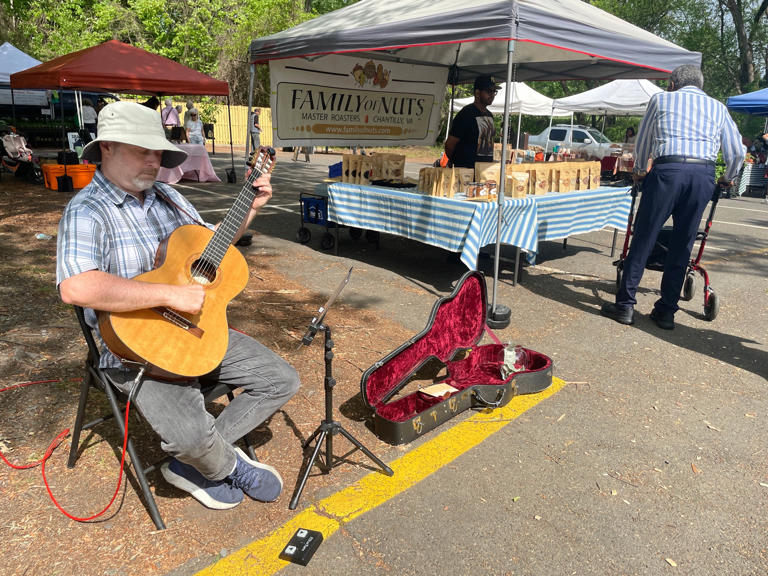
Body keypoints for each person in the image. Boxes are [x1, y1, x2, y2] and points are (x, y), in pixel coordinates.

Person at [56, 101, 300, 509]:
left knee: (281, 379)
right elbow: (76, 287)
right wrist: (169, 294)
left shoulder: (167, 196)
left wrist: (251, 207)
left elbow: (211, 245)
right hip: (137, 350)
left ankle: (193, 463)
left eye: (158, 152)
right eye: (142, 150)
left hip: (198, 327)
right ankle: (223, 466)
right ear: (108, 148)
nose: (154, 161)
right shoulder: (87, 210)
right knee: (188, 437)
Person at [601, 65, 744, 330]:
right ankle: (666, 311)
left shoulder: (661, 99)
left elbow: (644, 140)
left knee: (644, 237)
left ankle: (625, 306)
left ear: (672, 84)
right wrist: (729, 177)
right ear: (700, 85)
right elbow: (737, 149)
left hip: (668, 170)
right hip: (703, 174)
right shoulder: (718, 107)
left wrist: (641, 170)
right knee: (683, 244)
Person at [444, 75, 499, 168]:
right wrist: (458, 163)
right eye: (489, 91)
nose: (492, 95)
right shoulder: (466, 114)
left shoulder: (490, 115)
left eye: (494, 91)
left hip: (485, 171)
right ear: (477, 93)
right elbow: (450, 144)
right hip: (467, 172)